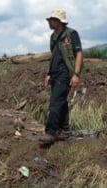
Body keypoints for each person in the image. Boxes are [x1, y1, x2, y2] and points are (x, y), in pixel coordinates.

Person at [40, 9, 83, 144]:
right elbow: (54, 57)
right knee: (61, 102)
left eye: (51, 20)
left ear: (58, 22)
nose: (49, 22)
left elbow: (79, 54)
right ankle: (64, 130)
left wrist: (76, 74)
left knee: (55, 103)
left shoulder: (71, 34)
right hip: (55, 74)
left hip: (65, 74)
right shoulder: (53, 37)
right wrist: (48, 74)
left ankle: (50, 132)